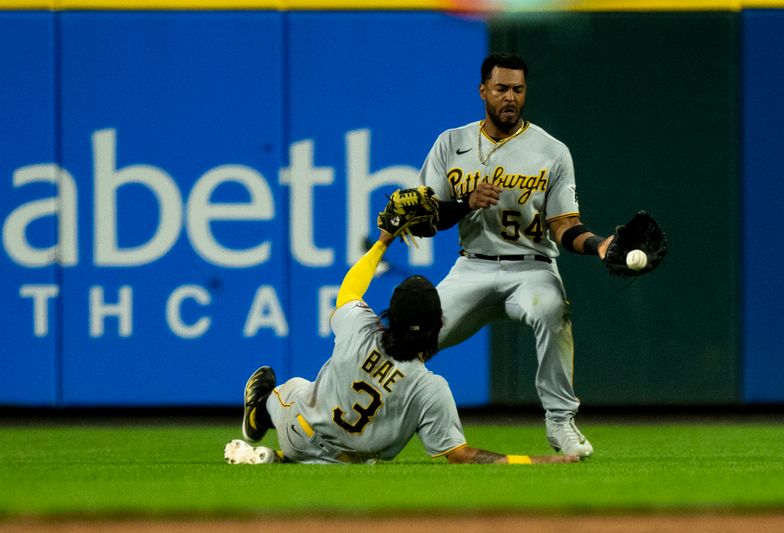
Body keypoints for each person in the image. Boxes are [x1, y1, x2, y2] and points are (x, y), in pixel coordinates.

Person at [224, 229, 579, 465]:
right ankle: (277, 455)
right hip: (354, 466)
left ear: (390, 316)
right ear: (440, 323)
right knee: (310, 398)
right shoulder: (431, 389)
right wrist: (534, 460)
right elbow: (462, 454)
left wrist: (383, 241)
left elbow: (349, 291)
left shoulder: (361, 327)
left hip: (299, 434)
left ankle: (264, 419)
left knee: (290, 386)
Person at [418, 53, 615, 458]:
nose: (510, 97)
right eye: (502, 88)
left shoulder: (551, 151)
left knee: (551, 309)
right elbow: (425, 220)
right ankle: (367, 430)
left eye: (518, 89)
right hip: (472, 265)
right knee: (410, 337)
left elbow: (564, 226)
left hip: (532, 267)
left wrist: (598, 245)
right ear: (483, 91)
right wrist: (465, 202)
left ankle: (561, 423)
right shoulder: (450, 143)